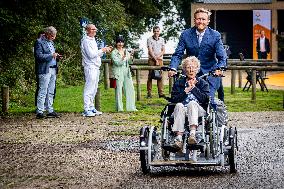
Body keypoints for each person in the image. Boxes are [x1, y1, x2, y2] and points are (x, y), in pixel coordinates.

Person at [169, 8, 226, 103]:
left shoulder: (215, 35)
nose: (201, 21)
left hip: (209, 72)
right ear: (194, 20)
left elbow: (222, 56)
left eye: (203, 19)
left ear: (208, 21)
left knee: (208, 100)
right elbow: (178, 54)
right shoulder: (185, 34)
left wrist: (220, 68)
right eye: (198, 19)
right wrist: (173, 68)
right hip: (190, 71)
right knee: (181, 98)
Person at [170, 56, 209, 149]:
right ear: (184, 70)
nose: (191, 70)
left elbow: (205, 100)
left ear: (197, 69)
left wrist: (194, 88)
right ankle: (179, 138)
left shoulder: (203, 83)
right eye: (188, 67)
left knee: (192, 103)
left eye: (193, 67)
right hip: (182, 110)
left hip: (198, 111)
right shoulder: (179, 83)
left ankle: (192, 135)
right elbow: (174, 100)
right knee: (179, 105)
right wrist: (186, 91)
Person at [81, 23, 112, 117]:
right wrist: (102, 50)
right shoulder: (86, 41)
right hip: (90, 67)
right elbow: (91, 55)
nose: (95, 31)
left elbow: (96, 54)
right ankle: (86, 109)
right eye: (92, 29)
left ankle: (91, 107)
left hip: (96, 66)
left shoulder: (93, 40)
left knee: (94, 88)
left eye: (95, 29)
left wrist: (104, 50)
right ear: (87, 30)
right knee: (89, 88)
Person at [34, 26, 61, 119]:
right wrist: (51, 55)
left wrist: (56, 56)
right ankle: (40, 111)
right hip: (44, 69)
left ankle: (50, 110)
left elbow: (52, 55)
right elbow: (39, 56)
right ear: (48, 34)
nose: (54, 37)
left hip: (53, 68)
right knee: (43, 90)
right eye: (53, 36)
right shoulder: (39, 42)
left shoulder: (52, 42)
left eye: (54, 36)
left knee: (51, 91)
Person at [111, 36, 137, 112]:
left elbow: (130, 62)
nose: (120, 44)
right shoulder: (114, 52)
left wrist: (131, 56)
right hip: (118, 72)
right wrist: (122, 58)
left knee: (130, 89)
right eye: (119, 42)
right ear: (116, 43)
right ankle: (120, 108)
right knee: (118, 90)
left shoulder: (126, 51)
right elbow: (117, 63)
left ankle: (131, 108)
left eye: (122, 42)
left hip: (127, 72)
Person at [147, 26, 165, 98]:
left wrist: (158, 58)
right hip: (152, 59)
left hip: (160, 60)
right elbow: (150, 50)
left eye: (157, 31)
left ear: (159, 32)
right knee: (150, 76)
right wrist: (155, 59)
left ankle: (161, 93)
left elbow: (163, 50)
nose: (156, 32)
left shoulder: (162, 39)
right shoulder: (149, 39)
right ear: (153, 31)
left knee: (160, 76)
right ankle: (149, 93)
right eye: (155, 31)